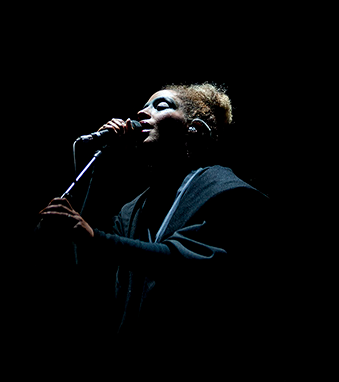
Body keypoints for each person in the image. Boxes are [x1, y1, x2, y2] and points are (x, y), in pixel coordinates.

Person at [35, 84, 273, 360]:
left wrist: (95, 239)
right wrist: (101, 167)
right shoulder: (133, 210)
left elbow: (183, 263)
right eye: (144, 106)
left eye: (160, 106)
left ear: (196, 129)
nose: (140, 113)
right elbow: (92, 274)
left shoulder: (227, 191)